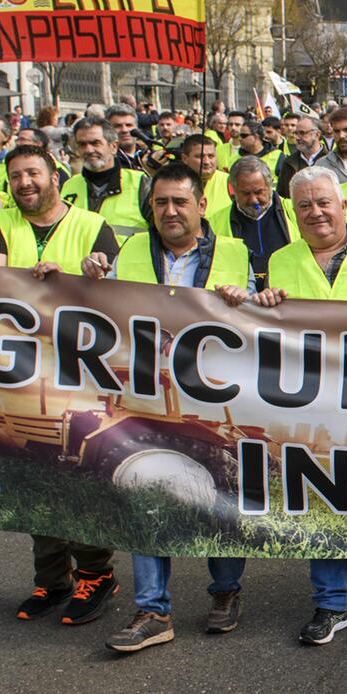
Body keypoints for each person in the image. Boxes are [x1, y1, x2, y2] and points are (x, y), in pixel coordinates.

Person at [0, 143, 124, 625]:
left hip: (80, 372)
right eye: (16, 176)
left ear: (55, 176)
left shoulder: (92, 225)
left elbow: (115, 291)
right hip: (19, 375)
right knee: (30, 472)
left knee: (80, 475)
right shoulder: (0, 222)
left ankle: (96, 572)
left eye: (33, 173)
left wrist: (79, 277)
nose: (25, 183)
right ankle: (51, 577)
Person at [97, 164, 257, 653]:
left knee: (219, 492)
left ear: (201, 206)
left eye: (179, 202)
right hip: (146, 401)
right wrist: (91, 282)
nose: (169, 211)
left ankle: (225, 591)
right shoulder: (130, 254)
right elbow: (105, 315)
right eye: (161, 203)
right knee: (145, 488)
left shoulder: (234, 252)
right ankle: (152, 608)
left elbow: (263, 321)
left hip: (213, 402)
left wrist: (243, 299)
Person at [252, 166, 347, 644]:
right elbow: (251, 319)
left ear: (344, 205)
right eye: (304, 205)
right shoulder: (277, 261)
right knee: (320, 498)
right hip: (310, 406)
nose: (316, 212)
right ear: (293, 213)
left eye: (324, 202)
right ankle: (331, 603)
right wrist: (262, 301)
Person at [60, 116, 149, 242]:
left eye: (95, 143)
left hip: (127, 260)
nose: (89, 150)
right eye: (82, 144)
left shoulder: (140, 183)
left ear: (113, 147)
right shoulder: (69, 185)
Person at [211, 154, 295, 283]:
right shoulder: (214, 222)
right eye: (245, 193)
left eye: (258, 192)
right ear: (233, 189)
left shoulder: (295, 212)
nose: (253, 200)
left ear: (270, 184)